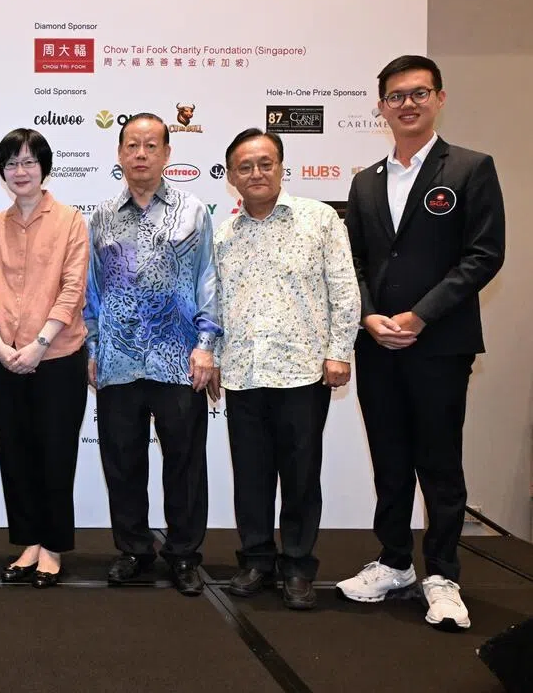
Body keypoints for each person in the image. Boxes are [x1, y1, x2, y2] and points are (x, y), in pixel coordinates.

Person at [336, 55, 505, 631]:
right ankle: (393, 561)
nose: (407, 104)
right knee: (389, 460)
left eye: (418, 93)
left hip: (439, 345)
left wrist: (422, 315)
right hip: (378, 344)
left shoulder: (471, 168)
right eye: (396, 96)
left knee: (439, 463)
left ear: (439, 98)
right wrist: (368, 316)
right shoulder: (365, 181)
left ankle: (443, 575)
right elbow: (354, 261)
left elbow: (484, 255)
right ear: (381, 106)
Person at [212, 128, 360, 610]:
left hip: (303, 372)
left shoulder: (319, 219)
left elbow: (344, 289)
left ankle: (297, 564)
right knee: (251, 475)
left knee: (300, 475)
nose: (255, 173)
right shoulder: (223, 233)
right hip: (243, 373)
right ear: (231, 176)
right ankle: (256, 559)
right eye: (245, 166)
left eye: (265, 163)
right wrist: (213, 356)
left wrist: (339, 351)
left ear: (281, 167)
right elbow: (214, 303)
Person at [84, 112, 221, 596]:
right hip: (118, 359)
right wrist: (93, 347)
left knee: (185, 463)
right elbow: (92, 291)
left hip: (179, 359)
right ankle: (134, 551)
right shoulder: (101, 216)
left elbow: (209, 280)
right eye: (131, 146)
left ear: (167, 153)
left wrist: (206, 347)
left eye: (150, 146)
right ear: (119, 154)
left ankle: (183, 554)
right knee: (122, 461)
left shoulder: (193, 210)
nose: (140, 154)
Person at [0, 128, 88, 589]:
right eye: (11, 163)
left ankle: (53, 547)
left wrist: (39, 344)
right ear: (2, 172)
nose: (20, 171)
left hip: (57, 356)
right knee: (16, 453)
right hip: (5, 358)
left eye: (28, 162)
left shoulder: (70, 221)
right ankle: (28, 542)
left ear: (44, 168)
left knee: (55, 455)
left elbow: (73, 288)